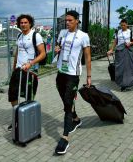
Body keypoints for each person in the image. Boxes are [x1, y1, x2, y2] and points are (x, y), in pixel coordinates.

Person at [54, 10, 91, 155]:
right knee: (65, 100)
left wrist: (89, 76)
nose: (67, 23)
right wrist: (57, 49)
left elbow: (87, 57)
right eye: (66, 21)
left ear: (77, 21)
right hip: (60, 72)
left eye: (70, 20)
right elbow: (58, 47)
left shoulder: (83, 36)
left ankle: (65, 137)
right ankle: (76, 119)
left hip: (73, 75)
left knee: (67, 104)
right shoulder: (62, 33)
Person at [7, 14, 46, 131]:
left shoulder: (36, 35)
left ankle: (28, 122)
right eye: (21, 23)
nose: (23, 24)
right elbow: (17, 53)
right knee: (12, 95)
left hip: (30, 71)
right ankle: (17, 118)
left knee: (28, 97)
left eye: (26, 22)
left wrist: (31, 63)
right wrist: (14, 68)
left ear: (30, 23)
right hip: (18, 69)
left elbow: (43, 53)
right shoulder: (19, 35)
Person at [107, 19, 133, 91]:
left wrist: (130, 43)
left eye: (124, 25)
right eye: (121, 25)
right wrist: (111, 50)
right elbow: (115, 42)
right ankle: (121, 84)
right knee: (120, 67)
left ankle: (128, 83)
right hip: (120, 52)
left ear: (127, 24)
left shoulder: (131, 32)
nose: (123, 26)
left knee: (129, 67)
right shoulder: (118, 32)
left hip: (128, 51)